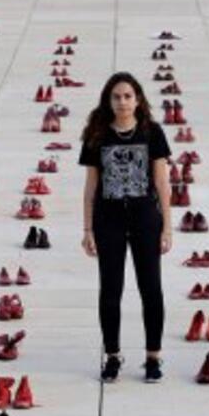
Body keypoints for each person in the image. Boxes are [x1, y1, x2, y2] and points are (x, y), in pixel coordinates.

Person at [80, 72, 172, 383]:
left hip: (146, 220)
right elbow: (91, 187)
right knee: (110, 291)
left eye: (128, 96)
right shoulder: (97, 135)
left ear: (138, 99)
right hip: (108, 222)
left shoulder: (152, 132)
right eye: (116, 97)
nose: (122, 102)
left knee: (151, 289)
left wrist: (167, 228)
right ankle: (112, 355)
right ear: (108, 101)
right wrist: (87, 230)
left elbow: (162, 184)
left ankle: (153, 356)